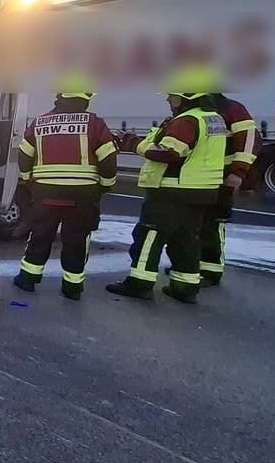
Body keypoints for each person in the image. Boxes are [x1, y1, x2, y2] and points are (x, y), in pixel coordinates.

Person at [107, 73, 227, 304]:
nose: (169, 101)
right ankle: (186, 287)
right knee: (186, 239)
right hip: (202, 191)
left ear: (187, 96)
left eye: (172, 97)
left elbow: (168, 153)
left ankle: (139, 284)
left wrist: (133, 144)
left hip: (173, 191)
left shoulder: (187, 121)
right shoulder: (213, 119)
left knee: (149, 235)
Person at [13, 83, 118, 300]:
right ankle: (72, 287)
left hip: (45, 190)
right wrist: (106, 184)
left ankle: (28, 279)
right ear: (85, 98)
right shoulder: (94, 123)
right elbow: (107, 158)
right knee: (77, 238)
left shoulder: (39, 122)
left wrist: (27, 180)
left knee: (40, 234)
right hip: (83, 193)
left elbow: (24, 154)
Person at [196, 92, 260, 286]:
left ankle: (210, 270)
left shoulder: (231, 109)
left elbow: (250, 140)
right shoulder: (198, 109)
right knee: (195, 223)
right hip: (199, 178)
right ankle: (192, 265)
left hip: (222, 177)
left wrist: (238, 172)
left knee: (212, 225)